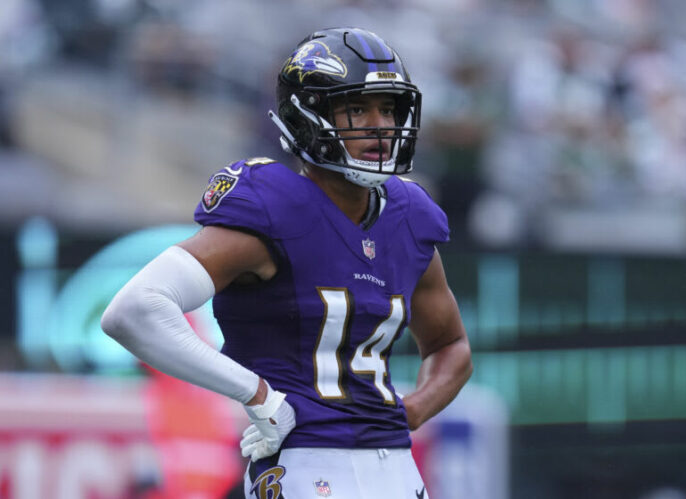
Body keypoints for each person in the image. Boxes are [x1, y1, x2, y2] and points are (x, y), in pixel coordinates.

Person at [101, 27, 472, 499]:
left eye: (389, 108)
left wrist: (413, 409)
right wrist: (257, 395)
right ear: (308, 116)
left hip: (398, 468)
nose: (380, 124)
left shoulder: (409, 215)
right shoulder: (274, 207)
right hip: (305, 466)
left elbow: (451, 344)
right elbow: (134, 310)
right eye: (358, 108)